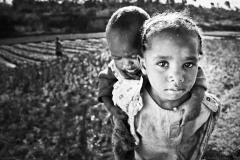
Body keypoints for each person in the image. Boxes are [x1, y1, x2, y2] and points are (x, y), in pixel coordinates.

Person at [98, 6, 207, 159]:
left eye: (132, 56)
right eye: (118, 58)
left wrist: (195, 99)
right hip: (126, 116)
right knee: (123, 146)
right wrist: (110, 107)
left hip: (155, 118)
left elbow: (199, 76)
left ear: (144, 51)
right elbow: (104, 85)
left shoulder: (155, 68)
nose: (127, 64)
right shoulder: (114, 69)